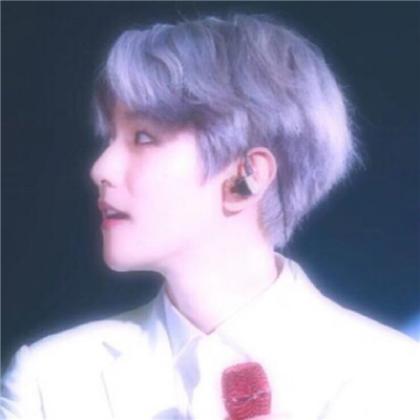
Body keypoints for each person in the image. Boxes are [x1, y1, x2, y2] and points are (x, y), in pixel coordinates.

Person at [1, 13, 419, 420]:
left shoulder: (394, 381)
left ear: (247, 176)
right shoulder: (51, 380)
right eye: (110, 138)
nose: (101, 169)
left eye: (143, 137)